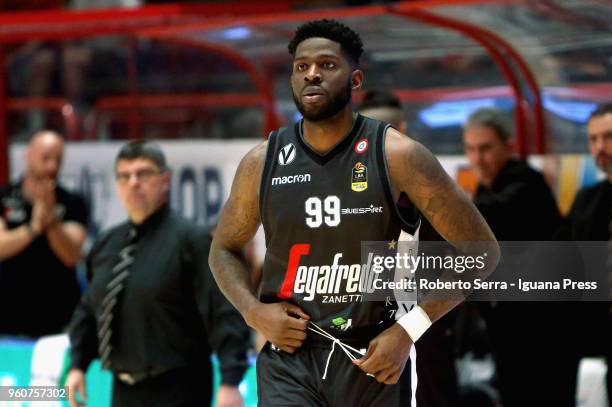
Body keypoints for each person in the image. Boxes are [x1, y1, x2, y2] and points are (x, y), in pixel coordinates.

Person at [210, 19, 497, 406]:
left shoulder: (399, 156)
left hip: (374, 356)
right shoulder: (263, 162)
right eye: (301, 66)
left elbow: (481, 251)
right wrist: (252, 312)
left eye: (327, 65)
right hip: (288, 362)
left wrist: (409, 330)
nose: (312, 74)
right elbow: (223, 248)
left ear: (355, 79)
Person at [66, 140, 249, 407]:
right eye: (125, 176)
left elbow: (223, 311)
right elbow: (89, 309)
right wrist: (77, 365)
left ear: (165, 180)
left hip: (180, 388)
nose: (134, 182)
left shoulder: (192, 241)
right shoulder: (107, 244)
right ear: (117, 185)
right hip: (123, 389)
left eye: (143, 174)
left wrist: (230, 381)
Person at [463, 107, 578, 406]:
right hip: (511, 324)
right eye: (471, 149)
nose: (477, 158)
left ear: (509, 146)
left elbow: (496, 214)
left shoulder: (525, 182)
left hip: (545, 329)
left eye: (486, 148)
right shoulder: (485, 189)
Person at [358, 89, 460, 407]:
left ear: (401, 131)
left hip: (425, 330)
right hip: (363, 333)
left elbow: (471, 260)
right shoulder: (349, 189)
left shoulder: (431, 186)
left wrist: (415, 325)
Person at [0, 130, 88, 338]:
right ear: (28, 155)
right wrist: (32, 229)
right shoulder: (3, 198)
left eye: (58, 160)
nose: (52, 166)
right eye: (46, 158)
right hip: (9, 318)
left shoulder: (72, 202)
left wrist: (51, 223)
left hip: (59, 319)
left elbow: (72, 255)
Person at [563, 103, 612, 402]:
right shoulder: (588, 200)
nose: (600, 147)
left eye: (608, 137)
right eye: (593, 139)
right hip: (597, 334)